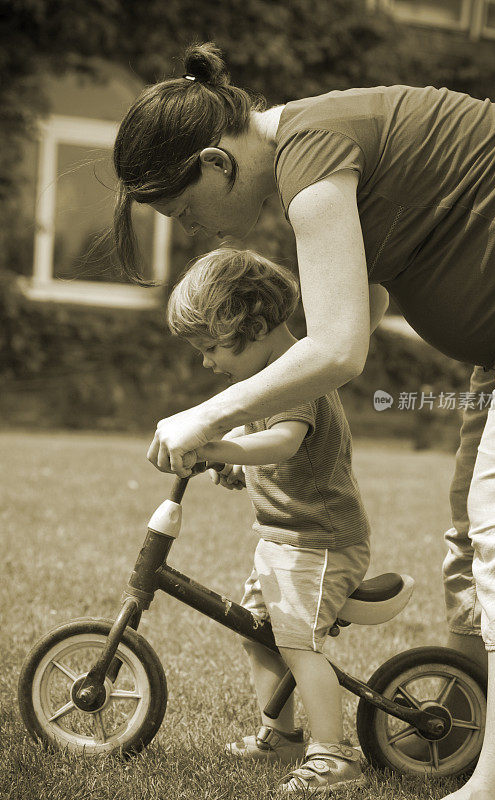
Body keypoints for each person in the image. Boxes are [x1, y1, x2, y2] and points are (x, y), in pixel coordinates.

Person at [112, 43, 495, 800]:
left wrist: (206, 416)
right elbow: (355, 323)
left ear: (215, 162)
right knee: (475, 534)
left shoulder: (310, 153)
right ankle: (467, 725)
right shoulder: (318, 152)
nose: (200, 232)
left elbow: (336, 350)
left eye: (183, 211)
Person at [165, 246, 374, 794]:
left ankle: (333, 754)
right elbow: (265, 445)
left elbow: (283, 443)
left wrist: (218, 446)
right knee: (257, 635)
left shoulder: (296, 374)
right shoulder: (269, 380)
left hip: (322, 542)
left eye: (212, 348)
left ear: (254, 325)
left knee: (297, 644)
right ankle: (279, 735)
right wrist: (233, 461)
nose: (207, 363)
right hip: (285, 541)